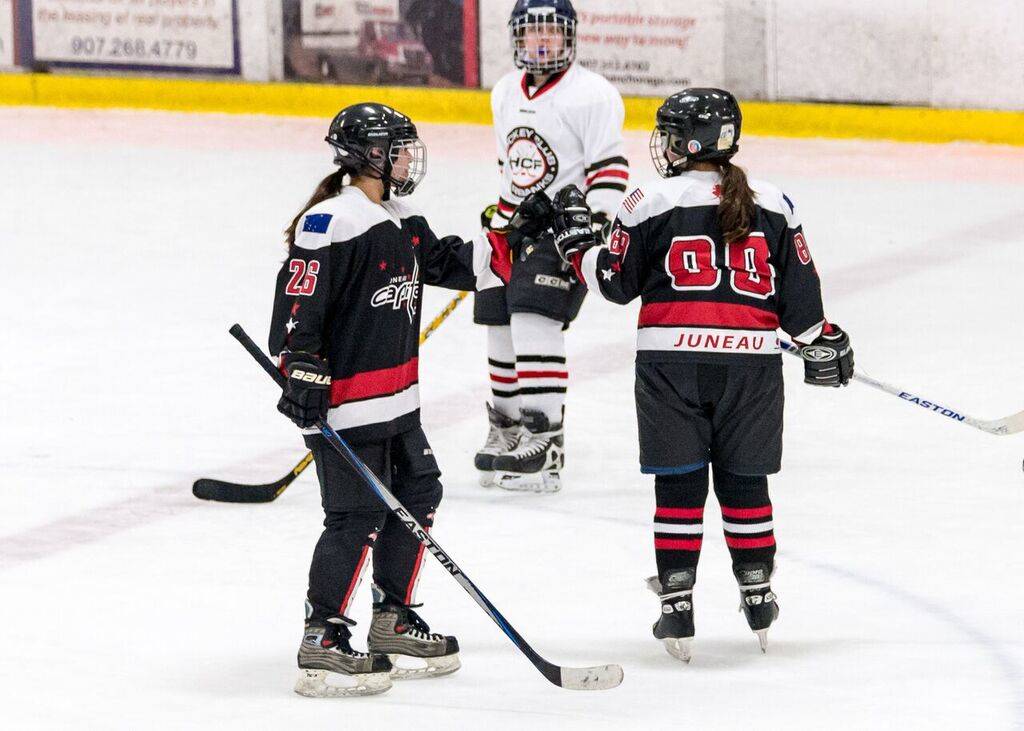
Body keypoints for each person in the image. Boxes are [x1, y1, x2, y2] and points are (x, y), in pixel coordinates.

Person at [548, 88, 854, 661]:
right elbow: (805, 310)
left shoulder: (648, 199)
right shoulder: (777, 202)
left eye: (668, 132)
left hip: (671, 366)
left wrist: (576, 248)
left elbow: (615, 284)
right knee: (745, 482)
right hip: (752, 371)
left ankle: (677, 606)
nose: (661, 143)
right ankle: (758, 595)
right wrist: (823, 342)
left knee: (680, 486)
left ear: (688, 142)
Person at [268, 103, 539, 697]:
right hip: (343, 404)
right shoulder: (330, 221)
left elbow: (463, 266)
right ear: (369, 156)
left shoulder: (399, 217)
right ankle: (323, 637)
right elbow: (295, 309)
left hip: (396, 402)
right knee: (355, 515)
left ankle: (391, 618)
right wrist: (301, 368)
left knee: (417, 491)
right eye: (399, 149)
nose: (409, 160)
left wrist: (519, 225)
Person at [474, 0, 629, 493]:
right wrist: (497, 225)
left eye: (551, 33)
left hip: (563, 231)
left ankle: (547, 439)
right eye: (532, 32)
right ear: (517, 37)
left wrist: (596, 224)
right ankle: (509, 427)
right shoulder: (503, 91)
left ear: (569, 37)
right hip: (515, 226)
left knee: (533, 320)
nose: (542, 42)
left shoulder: (593, 94)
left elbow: (609, 168)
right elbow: (511, 168)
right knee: (497, 320)